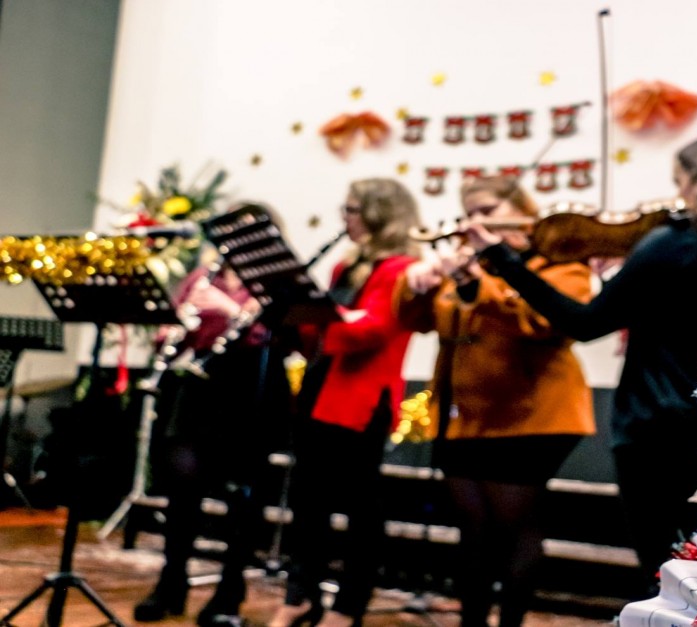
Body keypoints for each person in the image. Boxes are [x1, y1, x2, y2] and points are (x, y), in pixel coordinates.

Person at [463, 129, 697, 592]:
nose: (679, 193)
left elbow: (586, 323)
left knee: (664, 572)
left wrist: (502, 260)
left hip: (657, 432)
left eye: (683, 181)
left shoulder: (669, 245)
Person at [394, 175, 595, 627]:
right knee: (472, 532)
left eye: (487, 210)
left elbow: (545, 322)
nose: (476, 222)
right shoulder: (469, 263)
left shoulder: (557, 262)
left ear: (520, 210)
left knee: (514, 529)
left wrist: (476, 285)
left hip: (532, 415)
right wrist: (416, 283)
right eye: (471, 212)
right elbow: (416, 319)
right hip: (463, 415)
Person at [267, 178, 420, 627]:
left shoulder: (402, 269)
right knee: (308, 504)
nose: (344, 217)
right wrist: (292, 315)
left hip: (362, 400)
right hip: (320, 392)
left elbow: (370, 331)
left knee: (360, 510)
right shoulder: (345, 268)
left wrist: (326, 319)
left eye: (352, 209)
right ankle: (301, 596)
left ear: (378, 214)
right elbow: (326, 336)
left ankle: (349, 607)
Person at [134, 204, 293, 626]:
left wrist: (230, 310)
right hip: (200, 386)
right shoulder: (202, 277)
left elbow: (279, 335)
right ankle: (171, 581)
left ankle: (230, 588)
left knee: (242, 496)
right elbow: (174, 329)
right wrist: (172, 331)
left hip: (252, 388)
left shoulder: (278, 281)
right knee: (182, 486)